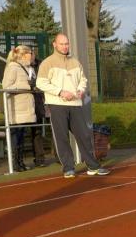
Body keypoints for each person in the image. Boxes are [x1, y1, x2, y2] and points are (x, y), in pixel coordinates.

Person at [36, 33, 109, 178]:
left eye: (67, 44)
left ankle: (93, 166)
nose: (65, 46)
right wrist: (60, 92)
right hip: (57, 104)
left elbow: (83, 79)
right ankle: (68, 168)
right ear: (54, 45)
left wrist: (81, 90)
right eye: (62, 44)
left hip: (76, 104)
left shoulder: (75, 62)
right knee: (62, 137)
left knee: (84, 135)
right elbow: (40, 83)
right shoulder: (47, 63)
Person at [1, 45, 37, 172]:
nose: (32, 55)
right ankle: (16, 164)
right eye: (30, 53)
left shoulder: (28, 68)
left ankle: (20, 162)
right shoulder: (13, 67)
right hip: (17, 109)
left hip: (25, 107)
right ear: (23, 54)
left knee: (21, 136)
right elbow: (6, 86)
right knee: (16, 137)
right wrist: (26, 86)